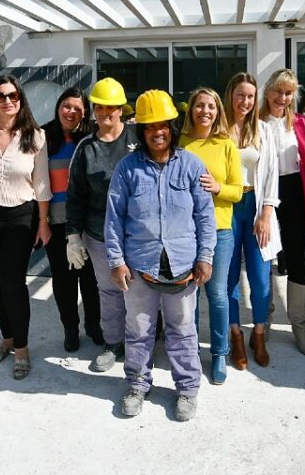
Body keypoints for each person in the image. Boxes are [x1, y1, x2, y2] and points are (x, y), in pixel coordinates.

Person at [105, 90, 215, 422]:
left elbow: (205, 216)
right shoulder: (127, 169)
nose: (157, 132)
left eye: (163, 125)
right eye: (150, 126)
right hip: (140, 266)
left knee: (183, 330)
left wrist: (205, 256)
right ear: (141, 131)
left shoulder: (192, 166)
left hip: (183, 265)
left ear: (172, 127)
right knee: (139, 330)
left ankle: (187, 389)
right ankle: (137, 385)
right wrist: (116, 261)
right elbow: (114, 218)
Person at [0, 75, 51, 380]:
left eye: (13, 96)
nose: (7, 101)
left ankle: (22, 348)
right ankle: (6, 338)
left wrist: (43, 223)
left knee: (12, 283)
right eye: (1, 96)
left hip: (21, 216)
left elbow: (41, 184)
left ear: (21, 99)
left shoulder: (35, 135)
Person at [66, 77, 141, 372]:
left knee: (140, 292)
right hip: (99, 234)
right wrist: (73, 235)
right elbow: (75, 195)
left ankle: (140, 343)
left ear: (121, 109)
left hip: (139, 233)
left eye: (112, 107)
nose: (105, 113)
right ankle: (113, 343)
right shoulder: (86, 148)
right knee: (109, 292)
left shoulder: (138, 138)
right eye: (100, 107)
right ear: (93, 110)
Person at [180, 87, 242, 384]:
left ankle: (219, 353)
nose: (205, 111)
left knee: (217, 294)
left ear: (218, 112)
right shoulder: (181, 143)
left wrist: (218, 187)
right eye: (200, 105)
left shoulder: (226, 144)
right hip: (185, 231)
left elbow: (238, 191)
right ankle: (190, 350)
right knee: (189, 294)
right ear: (191, 110)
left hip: (220, 230)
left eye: (211, 106)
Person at [224, 73, 281, 370]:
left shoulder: (263, 130)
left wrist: (267, 215)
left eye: (250, 96)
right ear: (230, 95)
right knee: (229, 277)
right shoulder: (219, 129)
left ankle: (259, 333)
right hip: (228, 208)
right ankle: (235, 333)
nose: (245, 101)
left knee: (260, 279)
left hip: (257, 207)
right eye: (240, 95)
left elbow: (271, 174)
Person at [41, 87, 101, 352]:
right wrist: (41, 221)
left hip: (87, 222)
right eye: (67, 105)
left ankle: (94, 325)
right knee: (64, 281)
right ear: (58, 106)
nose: (71, 112)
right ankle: (70, 328)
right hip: (56, 221)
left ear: (85, 112)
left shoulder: (90, 138)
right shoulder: (43, 137)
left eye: (77, 108)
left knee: (91, 280)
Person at [261, 68, 305, 357]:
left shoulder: (300, 123)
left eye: (288, 93)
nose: (282, 97)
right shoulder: (256, 122)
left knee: (296, 256)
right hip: (264, 191)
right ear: (268, 91)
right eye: (278, 91)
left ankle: (298, 324)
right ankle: (266, 317)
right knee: (265, 257)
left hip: (293, 190)